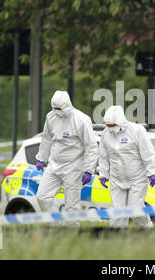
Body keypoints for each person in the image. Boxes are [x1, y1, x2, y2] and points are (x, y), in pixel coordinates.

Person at [35, 90, 98, 227]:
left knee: (72, 206)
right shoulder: (50, 117)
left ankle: (72, 233)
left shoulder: (81, 120)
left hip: (73, 168)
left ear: (67, 105)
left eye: (59, 108)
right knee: (42, 197)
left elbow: (91, 146)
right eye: (54, 108)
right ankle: (56, 225)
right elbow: (46, 138)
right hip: (53, 165)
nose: (56, 111)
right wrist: (41, 158)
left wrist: (88, 170)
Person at [98, 105, 155, 228]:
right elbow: (103, 156)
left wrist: (152, 171)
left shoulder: (136, 130)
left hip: (137, 178)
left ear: (119, 122)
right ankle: (118, 239)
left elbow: (147, 152)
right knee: (117, 215)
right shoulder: (105, 134)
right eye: (108, 125)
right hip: (117, 178)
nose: (110, 128)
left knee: (136, 211)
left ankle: (148, 230)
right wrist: (103, 174)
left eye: (112, 125)